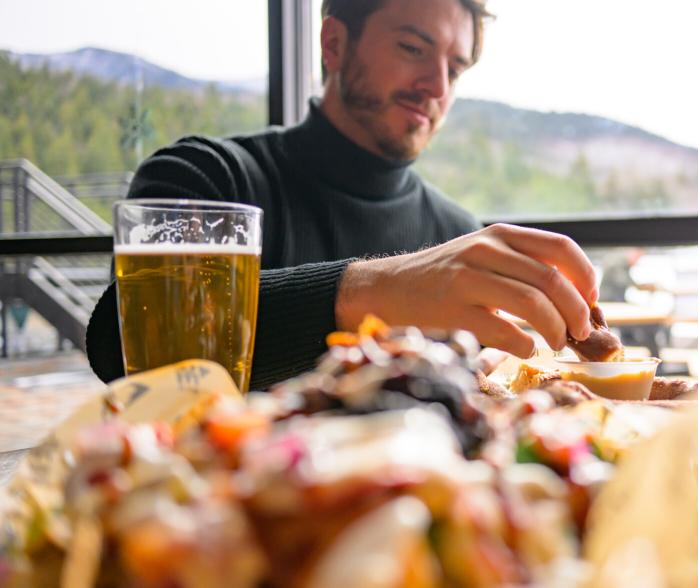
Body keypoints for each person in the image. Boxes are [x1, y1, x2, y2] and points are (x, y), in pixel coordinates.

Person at [86, 0, 597, 389]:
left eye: (456, 68)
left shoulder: (460, 236)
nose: (437, 85)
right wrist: (376, 292)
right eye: (413, 48)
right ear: (334, 44)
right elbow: (120, 341)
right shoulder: (206, 177)